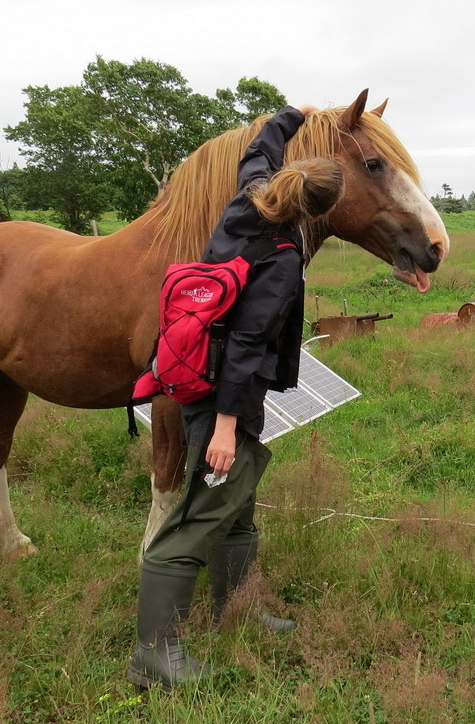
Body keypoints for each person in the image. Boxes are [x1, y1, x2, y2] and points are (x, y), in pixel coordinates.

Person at [128, 104, 345, 690]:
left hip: (208, 375)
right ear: (320, 214)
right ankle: (154, 653)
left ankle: (239, 607)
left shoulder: (247, 199)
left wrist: (289, 116)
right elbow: (249, 343)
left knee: (239, 503)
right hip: (223, 393)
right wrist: (225, 426)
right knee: (201, 515)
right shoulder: (282, 257)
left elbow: (258, 152)